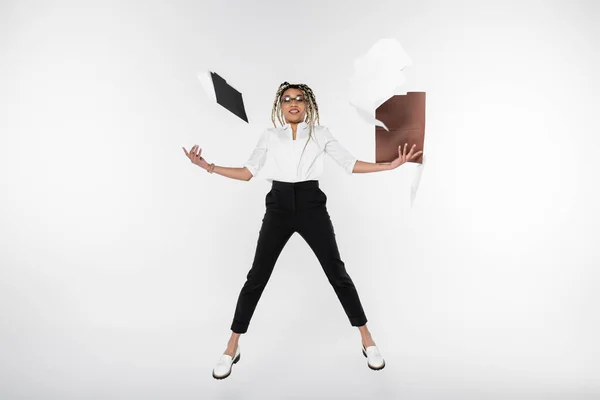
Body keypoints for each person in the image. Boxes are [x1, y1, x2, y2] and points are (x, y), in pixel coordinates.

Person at [182, 82, 422, 379]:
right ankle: (232, 346)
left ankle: (367, 339)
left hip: (311, 205)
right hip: (279, 206)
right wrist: (208, 166)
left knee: (337, 272)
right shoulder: (270, 136)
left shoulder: (320, 134)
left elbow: (349, 163)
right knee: (257, 276)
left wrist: (389, 166)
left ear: (308, 105)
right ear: (279, 106)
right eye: (287, 99)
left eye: (299, 98)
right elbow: (247, 173)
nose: (293, 103)